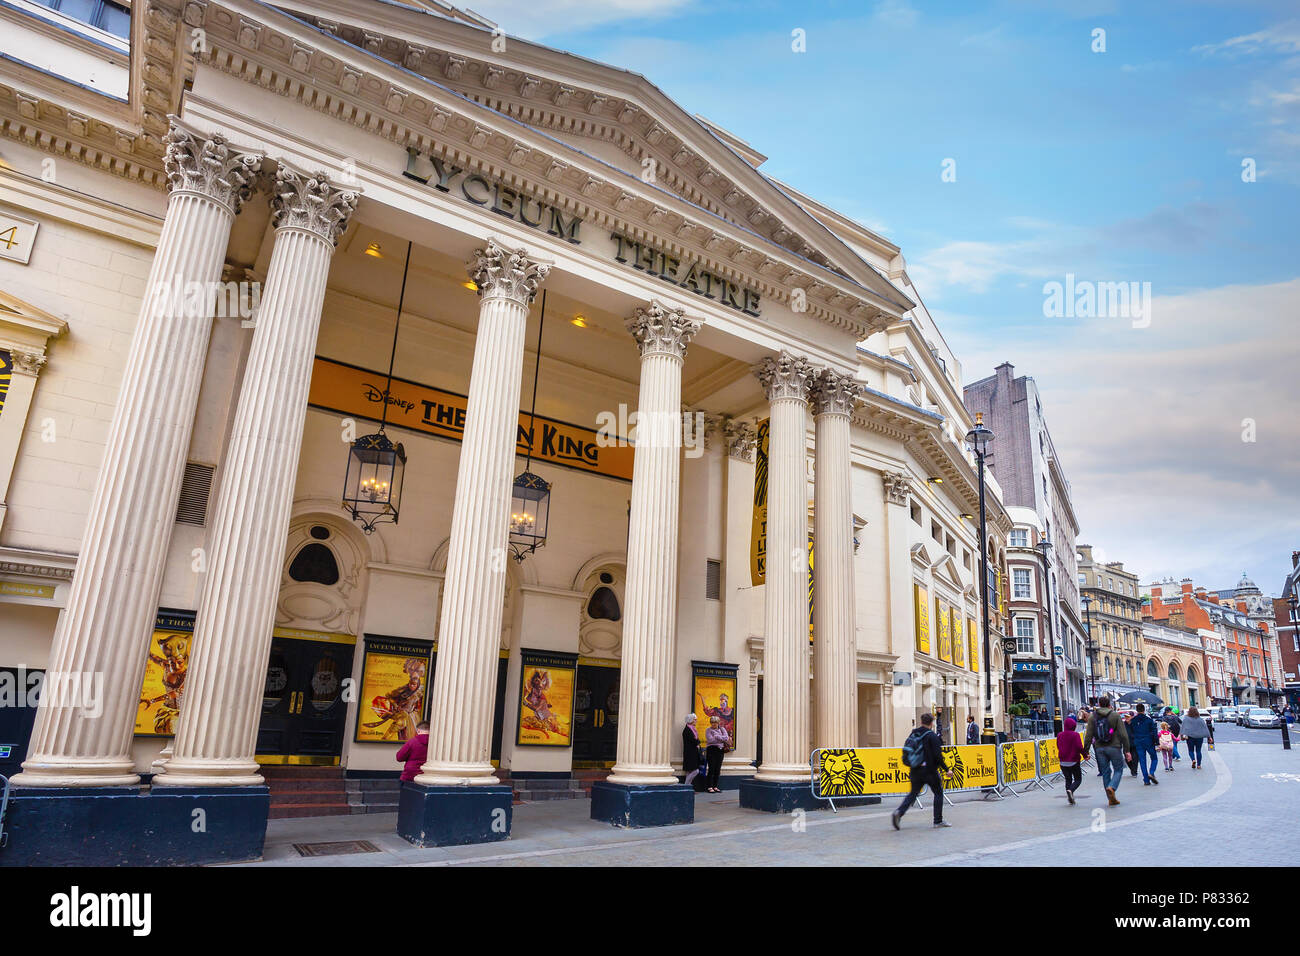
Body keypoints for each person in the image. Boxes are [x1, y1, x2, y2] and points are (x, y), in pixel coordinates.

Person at [891, 713, 950, 829]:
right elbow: (938, 756)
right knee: (938, 792)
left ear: (921, 721)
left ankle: (899, 812)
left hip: (915, 769)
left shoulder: (914, 733)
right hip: (930, 771)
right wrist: (947, 769)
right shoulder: (932, 736)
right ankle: (938, 821)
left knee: (913, 793)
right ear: (932, 723)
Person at [1082, 695, 1131, 806]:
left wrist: (1086, 751)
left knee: (1105, 772)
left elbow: (1088, 736)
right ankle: (1112, 787)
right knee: (1118, 769)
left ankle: (1110, 798)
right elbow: (1123, 734)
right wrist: (1127, 750)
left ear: (1099, 704)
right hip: (1114, 747)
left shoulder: (1092, 717)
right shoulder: (1115, 715)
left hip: (1099, 748)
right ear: (1109, 705)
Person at [1128, 702, 1160, 786]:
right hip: (1148, 741)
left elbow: (1131, 732)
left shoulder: (1133, 720)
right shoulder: (1149, 720)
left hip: (1138, 742)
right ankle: (1151, 772)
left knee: (1142, 760)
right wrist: (1157, 742)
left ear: (1136, 710)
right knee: (1154, 758)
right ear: (1144, 710)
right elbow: (1154, 731)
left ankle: (1146, 779)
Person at [1057, 715, 1084, 805]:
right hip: (1073, 760)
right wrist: (1085, 755)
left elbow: (1058, 746)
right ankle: (1071, 790)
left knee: (1068, 779)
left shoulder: (1060, 735)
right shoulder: (1075, 735)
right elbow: (1079, 747)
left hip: (1063, 761)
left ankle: (1070, 795)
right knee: (1078, 779)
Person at [704, 714, 730, 793]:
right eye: (712, 723)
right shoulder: (708, 730)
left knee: (717, 769)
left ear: (718, 723)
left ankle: (715, 786)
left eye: (715, 722)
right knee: (711, 768)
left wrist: (716, 736)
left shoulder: (722, 729)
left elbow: (726, 738)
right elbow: (710, 740)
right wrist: (720, 738)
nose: (714, 724)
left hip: (720, 750)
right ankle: (709, 786)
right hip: (711, 750)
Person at [682, 714, 704, 790]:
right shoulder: (687, 730)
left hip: (693, 753)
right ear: (691, 720)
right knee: (696, 771)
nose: (696, 721)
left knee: (689, 771)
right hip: (690, 754)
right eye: (695, 719)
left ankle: (687, 787)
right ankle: (686, 786)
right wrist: (698, 741)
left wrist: (697, 741)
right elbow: (695, 741)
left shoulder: (692, 729)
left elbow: (696, 741)